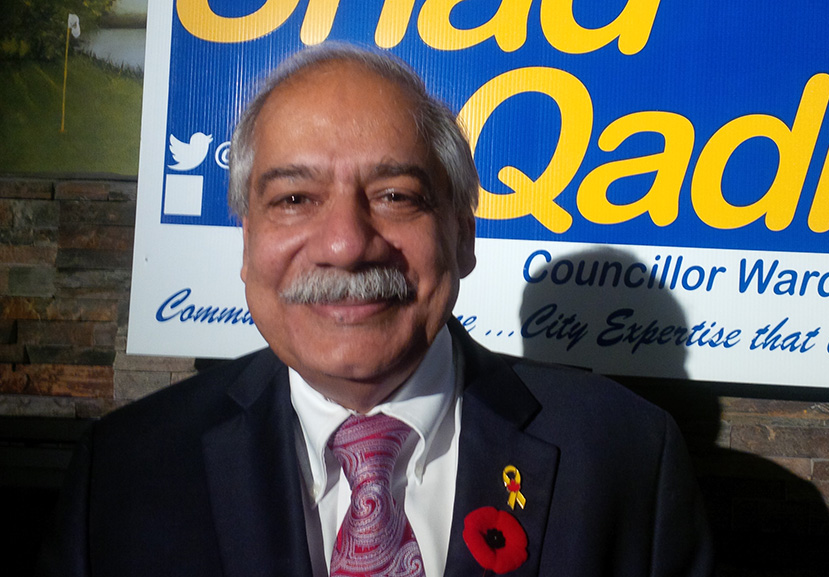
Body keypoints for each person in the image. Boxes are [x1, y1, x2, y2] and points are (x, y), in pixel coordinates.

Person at [38, 43, 712, 577]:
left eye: (395, 195)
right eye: (294, 199)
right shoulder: (127, 471)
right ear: (247, 244)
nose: (346, 244)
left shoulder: (625, 457)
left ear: (463, 235)